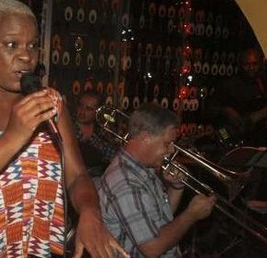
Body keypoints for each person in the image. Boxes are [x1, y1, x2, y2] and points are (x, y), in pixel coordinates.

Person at [0, 0, 129, 258]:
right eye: (11, 44)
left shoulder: (49, 102)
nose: (26, 56)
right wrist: (14, 136)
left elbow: (77, 177)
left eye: (32, 45)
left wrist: (90, 212)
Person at [97, 103, 216, 257]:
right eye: (167, 143)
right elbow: (152, 248)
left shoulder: (143, 168)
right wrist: (191, 214)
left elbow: (158, 221)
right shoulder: (126, 182)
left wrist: (176, 188)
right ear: (146, 138)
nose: (172, 150)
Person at [206, 47, 267, 148]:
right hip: (228, 136)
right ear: (240, 65)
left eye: (254, 64)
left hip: (257, 140)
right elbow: (209, 109)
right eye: (246, 65)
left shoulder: (263, 83)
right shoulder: (228, 84)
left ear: (260, 64)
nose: (251, 68)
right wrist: (226, 110)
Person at [72, 90, 119, 180]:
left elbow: (114, 157)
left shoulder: (103, 132)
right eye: (80, 106)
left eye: (89, 109)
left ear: (98, 112)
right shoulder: (68, 127)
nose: (82, 111)